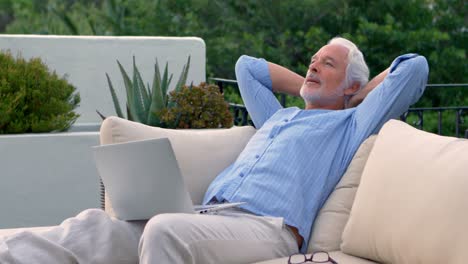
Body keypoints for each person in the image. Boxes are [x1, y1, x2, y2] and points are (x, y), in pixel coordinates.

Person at [0, 37, 429, 264]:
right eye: (313, 60)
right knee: (93, 227)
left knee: (165, 231)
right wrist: (311, 80)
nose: (314, 64)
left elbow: (414, 69)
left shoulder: (350, 124)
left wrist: (353, 98)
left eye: (327, 63)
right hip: (208, 216)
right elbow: (247, 67)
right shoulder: (278, 118)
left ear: (353, 86)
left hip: (269, 228)